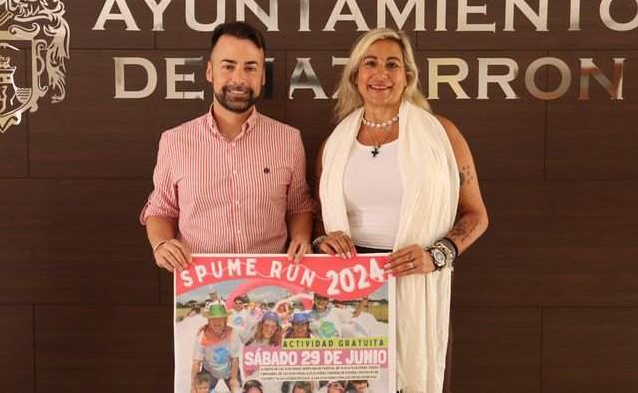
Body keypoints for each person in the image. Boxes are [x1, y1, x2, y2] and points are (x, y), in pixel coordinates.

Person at [314, 28, 489, 392]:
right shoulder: (334, 144)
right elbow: (320, 222)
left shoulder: (442, 134)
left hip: (417, 279)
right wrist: (322, 241)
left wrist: (436, 256)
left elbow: (476, 215)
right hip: (351, 282)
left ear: (407, 76)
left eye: (392, 65)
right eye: (371, 64)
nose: (381, 74)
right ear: (355, 75)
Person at [140, 21, 314, 271]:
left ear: (263, 76)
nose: (239, 79)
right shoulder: (174, 141)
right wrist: (161, 245)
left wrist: (301, 238)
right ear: (210, 72)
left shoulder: (289, 139)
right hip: (200, 281)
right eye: (228, 66)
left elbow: (299, 206)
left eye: (250, 68)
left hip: (270, 281)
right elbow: (160, 209)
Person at [192, 304, 241, 392]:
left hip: (230, 371)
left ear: (225, 320)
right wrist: (193, 386)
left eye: (220, 318)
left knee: (238, 390)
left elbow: (235, 359)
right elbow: (196, 363)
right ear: (209, 321)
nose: (217, 322)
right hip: (209, 371)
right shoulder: (202, 336)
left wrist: (234, 379)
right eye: (213, 319)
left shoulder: (232, 334)